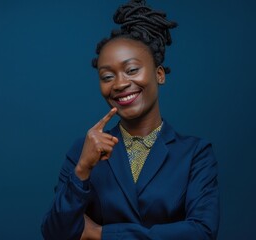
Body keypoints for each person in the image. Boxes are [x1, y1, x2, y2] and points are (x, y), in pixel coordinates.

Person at [41, 0, 219, 239]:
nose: (120, 83)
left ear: (159, 74)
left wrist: (102, 233)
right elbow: (55, 234)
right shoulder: (83, 150)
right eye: (107, 76)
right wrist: (82, 169)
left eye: (132, 70)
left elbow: (201, 233)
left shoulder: (196, 154)